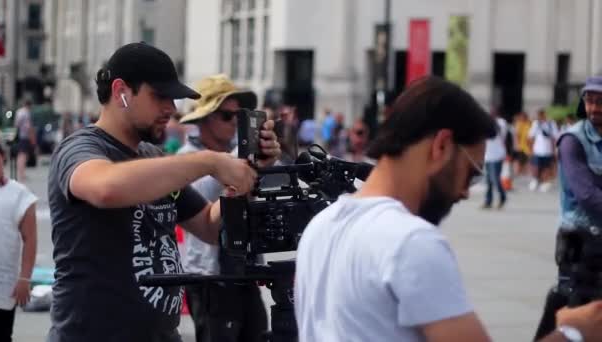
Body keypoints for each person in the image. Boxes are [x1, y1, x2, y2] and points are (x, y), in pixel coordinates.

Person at [294, 76, 602, 342]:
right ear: (441, 145)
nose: (465, 192)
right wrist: (574, 333)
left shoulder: (320, 227)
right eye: (471, 173)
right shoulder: (409, 242)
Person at [46, 43, 280, 342]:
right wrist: (208, 161)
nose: (171, 108)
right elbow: (104, 188)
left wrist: (248, 172)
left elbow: (208, 225)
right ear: (121, 91)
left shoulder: (152, 156)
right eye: (160, 96)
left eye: (173, 98)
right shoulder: (80, 148)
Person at [176, 74, 277, 342]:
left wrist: (266, 153)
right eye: (226, 116)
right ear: (205, 118)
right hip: (210, 277)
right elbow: (202, 201)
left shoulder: (237, 154)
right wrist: (247, 159)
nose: (234, 123)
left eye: (238, 116)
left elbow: (275, 180)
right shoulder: (186, 159)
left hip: (245, 268)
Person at [534, 75, 602, 339]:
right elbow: (586, 194)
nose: (594, 108)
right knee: (574, 311)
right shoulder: (572, 140)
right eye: (590, 101)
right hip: (581, 241)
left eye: (600, 102)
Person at [0, 140, 37, 342]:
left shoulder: (20, 194)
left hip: (3, 286)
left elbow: (30, 240)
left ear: (3, 159)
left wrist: (25, 279)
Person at [528, 109, 559, 192]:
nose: (540, 117)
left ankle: (545, 182)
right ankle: (536, 180)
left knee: (546, 168)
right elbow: (531, 137)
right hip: (537, 150)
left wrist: (555, 150)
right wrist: (530, 150)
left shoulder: (551, 124)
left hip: (548, 150)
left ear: (545, 115)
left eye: (542, 115)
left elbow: (555, 138)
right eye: (539, 115)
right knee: (536, 167)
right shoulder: (535, 124)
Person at [483, 109, 508, 209]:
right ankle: (488, 201)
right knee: (488, 180)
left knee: (495, 179)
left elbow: (500, 133)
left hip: (497, 155)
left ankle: (502, 197)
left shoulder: (501, 123)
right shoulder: (485, 123)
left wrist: (493, 122)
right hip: (487, 156)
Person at [13, 99, 35, 182]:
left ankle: (20, 173)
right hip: (25, 136)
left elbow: (16, 124)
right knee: (23, 155)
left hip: (20, 136)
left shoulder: (19, 112)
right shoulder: (26, 113)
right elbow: (28, 126)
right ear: (29, 105)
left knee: (21, 154)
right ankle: (21, 174)